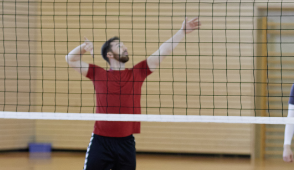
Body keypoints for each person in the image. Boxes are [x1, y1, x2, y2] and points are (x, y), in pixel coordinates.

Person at [66, 17, 200, 170]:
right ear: (109, 54)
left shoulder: (137, 72)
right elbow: (71, 59)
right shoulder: (98, 73)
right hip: (101, 141)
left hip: (126, 143)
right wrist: (84, 47)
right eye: (119, 46)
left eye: (124, 45)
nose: (125, 48)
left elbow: (163, 52)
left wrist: (182, 32)